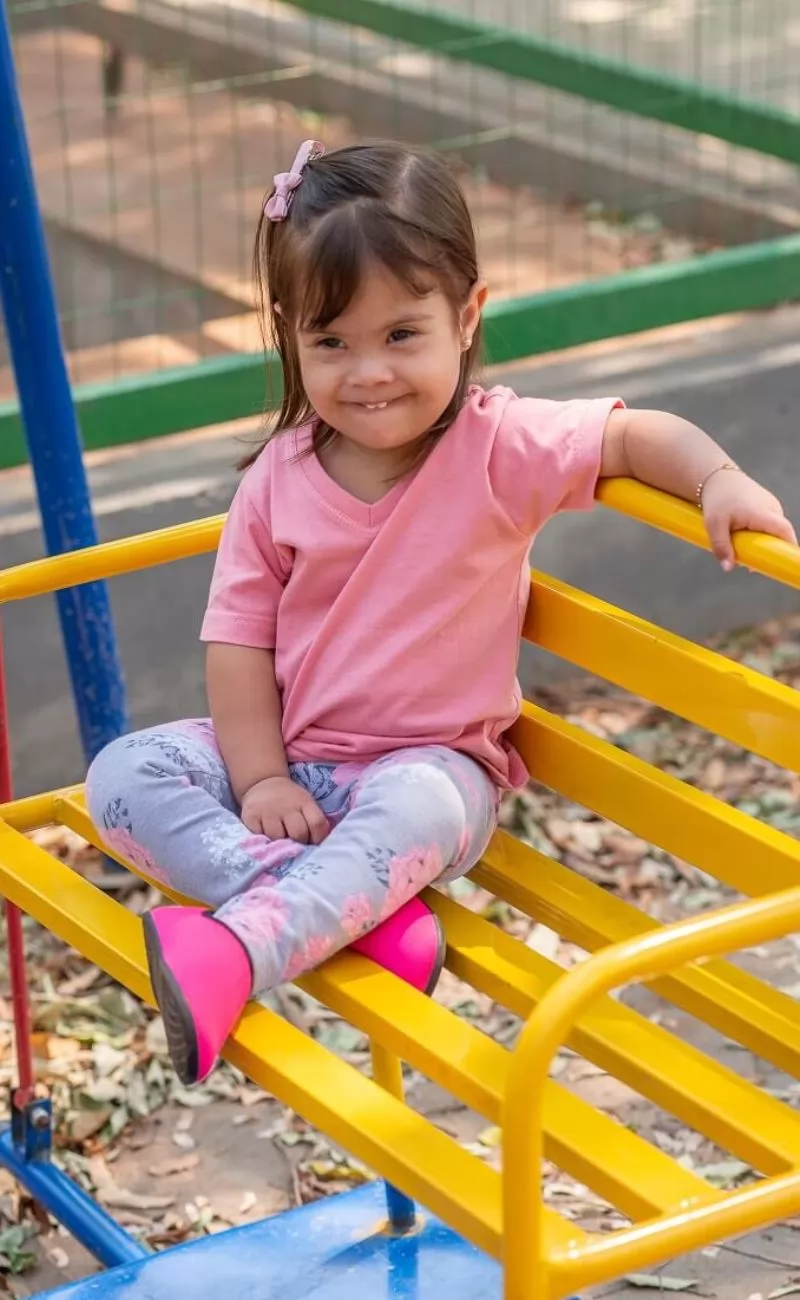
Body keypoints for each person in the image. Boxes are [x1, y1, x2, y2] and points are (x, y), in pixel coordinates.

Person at [86, 139, 797, 1087]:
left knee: (417, 805)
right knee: (124, 773)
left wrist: (719, 479)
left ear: (466, 319)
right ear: (289, 335)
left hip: (430, 775)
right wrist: (260, 779)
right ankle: (353, 911)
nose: (368, 372)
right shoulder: (277, 481)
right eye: (331, 343)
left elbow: (633, 436)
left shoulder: (500, 447)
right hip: (294, 764)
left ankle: (242, 949)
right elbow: (239, 644)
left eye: (400, 335)